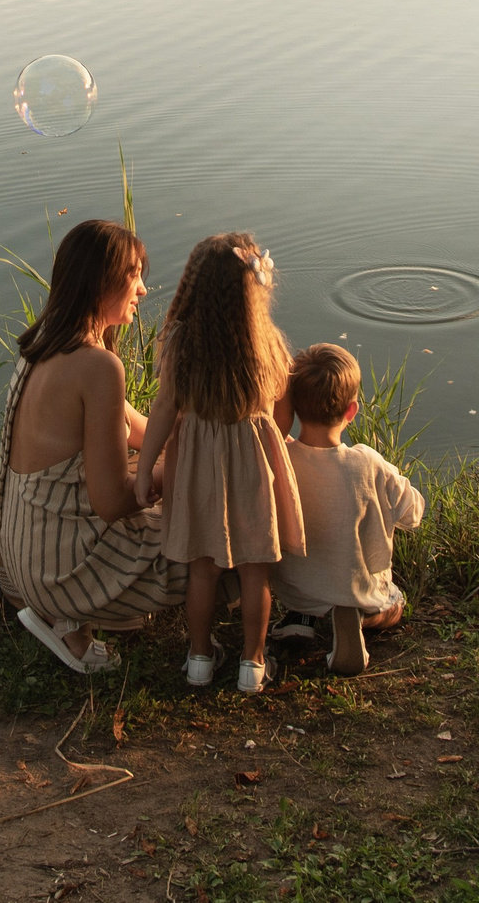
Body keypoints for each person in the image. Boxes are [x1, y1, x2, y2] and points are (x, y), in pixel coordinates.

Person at [0, 219, 186, 674]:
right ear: (101, 284)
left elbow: (138, 428)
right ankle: (71, 612)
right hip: (61, 572)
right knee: (207, 534)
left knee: (141, 461)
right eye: (133, 275)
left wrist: (199, 434)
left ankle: (61, 616)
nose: (143, 289)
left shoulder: (41, 342)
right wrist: (182, 472)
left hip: (23, 554)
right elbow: (113, 502)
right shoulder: (97, 366)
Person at [134, 234, 304, 694]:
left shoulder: (180, 341)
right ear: (253, 288)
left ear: (194, 285)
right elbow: (282, 407)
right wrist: (278, 441)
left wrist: (145, 470)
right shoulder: (266, 341)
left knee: (202, 569)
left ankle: (199, 659)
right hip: (252, 460)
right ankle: (253, 662)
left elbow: (164, 409)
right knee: (255, 569)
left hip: (197, 464)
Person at [268, 344, 424, 675]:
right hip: (358, 587)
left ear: (293, 406)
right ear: (351, 411)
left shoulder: (279, 458)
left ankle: (301, 616)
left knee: (311, 573)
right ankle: (360, 616)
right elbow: (413, 513)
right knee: (396, 603)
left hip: (294, 586)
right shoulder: (366, 462)